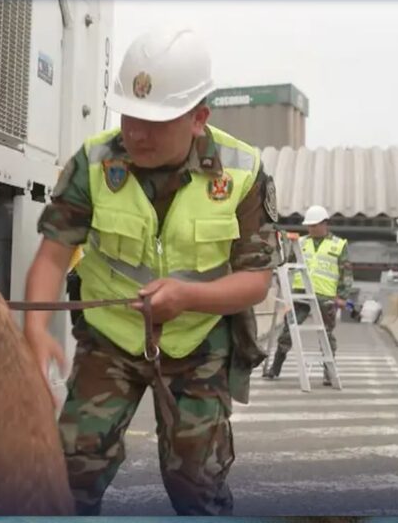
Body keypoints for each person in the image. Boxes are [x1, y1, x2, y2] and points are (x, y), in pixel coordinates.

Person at [21, 28, 279, 515]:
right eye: (129, 115)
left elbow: (256, 282)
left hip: (197, 341)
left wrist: (187, 297)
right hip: (110, 339)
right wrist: (34, 329)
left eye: (155, 121)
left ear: (199, 118)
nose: (136, 133)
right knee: (71, 471)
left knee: (196, 482)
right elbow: (53, 254)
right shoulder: (95, 161)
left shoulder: (243, 172)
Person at [263, 205, 353, 385]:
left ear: (325, 223)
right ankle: (276, 367)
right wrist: (283, 283)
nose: (311, 228)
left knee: (326, 337)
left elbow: (346, 272)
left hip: (325, 296)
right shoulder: (300, 242)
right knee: (288, 332)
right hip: (300, 295)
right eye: (309, 225)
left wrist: (343, 295)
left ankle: (329, 373)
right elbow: (287, 265)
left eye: (315, 225)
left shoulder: (338, 244)